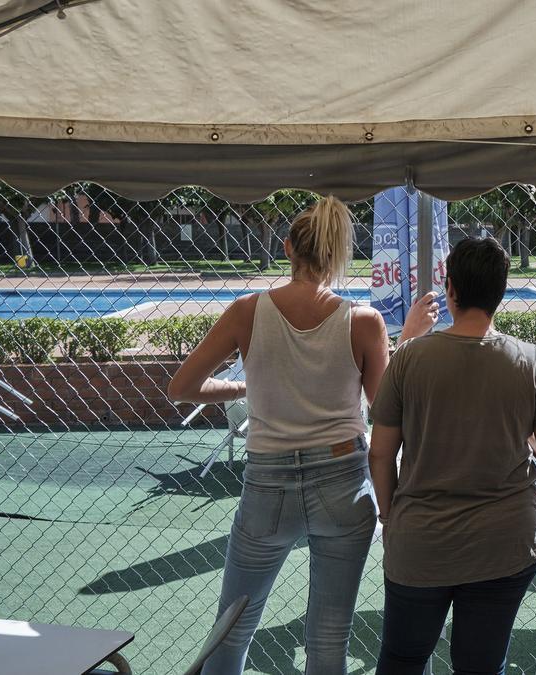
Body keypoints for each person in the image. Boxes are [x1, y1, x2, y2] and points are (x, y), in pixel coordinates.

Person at [168, 195, 438, 675]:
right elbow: (384, 408)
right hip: (343, 481)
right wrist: (408, 340)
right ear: (336, 255)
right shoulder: (362, 321)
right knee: (328, 640)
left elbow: (183, 387)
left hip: (267, 483)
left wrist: (246, 385)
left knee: (231, 629)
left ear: (289, 247)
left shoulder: (246, 312)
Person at [369, 236, 536, 675]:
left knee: (402, 658)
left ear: (451, 291)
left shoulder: (409, 359)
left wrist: (389, 518)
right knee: (481, 665)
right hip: (504, 544)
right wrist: (524, 436)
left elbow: (380, 454)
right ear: (500, 294)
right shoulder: (531, 361)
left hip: (420, 541)